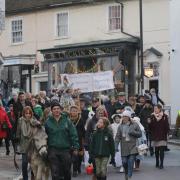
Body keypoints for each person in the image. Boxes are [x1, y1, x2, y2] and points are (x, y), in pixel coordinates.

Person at [45, 102, 79, 180]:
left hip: (65, 150)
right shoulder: (48, 122)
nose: (56, 110)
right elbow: (44, 136)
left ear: (60, 110)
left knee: (67, 171)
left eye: (58, 109)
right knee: (55, 172)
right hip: (53, 150)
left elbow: (73, 134)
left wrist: (76, 147)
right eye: (54, 109)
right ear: (52, 111)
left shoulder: (67, 121)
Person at [16, 106, 41, 180]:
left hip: (32, 145)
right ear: (24, 113)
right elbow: (18, 131)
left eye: (29, 113)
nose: (28, 115)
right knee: (24, 163)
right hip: (23, 145)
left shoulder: (33, 121)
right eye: (26, 113)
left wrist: (38, 124)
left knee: (33, 163)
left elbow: (39, 127)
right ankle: (25, 178)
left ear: (31, 113)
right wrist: (17, 142)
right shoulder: (20, 120)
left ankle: (33, 176)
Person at [115, 110, 142, 180]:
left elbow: (140, 134)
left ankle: (129, 176)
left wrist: (132, 132)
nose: (124, 118)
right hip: (124, 147)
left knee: (131, 161)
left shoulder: (135, 124)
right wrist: (116, 146)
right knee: (124, 162)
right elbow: (117, 137)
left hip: (132, 146)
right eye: (123, 116)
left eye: (126, 116)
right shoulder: (120, 126)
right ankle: (126, 173)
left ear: (129, 117)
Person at [148, 104, 170, 169]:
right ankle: (157, 161)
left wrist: (168, 133)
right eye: (154, 109)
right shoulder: (152, 116)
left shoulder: (164, 116)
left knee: (162, 150)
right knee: (157, 150)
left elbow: (167, 125)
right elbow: (150, 127)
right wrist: (149, 123)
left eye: (156, 108)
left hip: (162, 135)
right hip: (155, 135)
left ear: (160, 109)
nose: (155, 110)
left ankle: (161, 164)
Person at [69, 105, 85, 177]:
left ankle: (77, 168)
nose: (74, 112)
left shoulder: (80, 120)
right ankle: (74, 170)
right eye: (73, 111)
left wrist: (84, 141)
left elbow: (83, 131)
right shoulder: (68, 120)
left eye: (75, 111)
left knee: (79, 156)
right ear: (70, 112)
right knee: (72, 156)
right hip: (70, 140)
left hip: (79, 140)